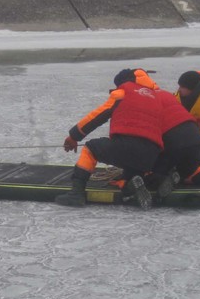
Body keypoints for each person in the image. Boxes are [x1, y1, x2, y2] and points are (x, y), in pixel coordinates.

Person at [120, 68, 200, 198]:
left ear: (192, 89)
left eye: (183, 87)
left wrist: (193, 146)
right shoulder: (177, 97)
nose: (179, 89)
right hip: (198, 139)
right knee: (189, 165)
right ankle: (186, 173)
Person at [57, 70, 164, 209]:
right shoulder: (156, 98)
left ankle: (76, 193)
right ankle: (130, 184)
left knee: (91, 148)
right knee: (131, 166)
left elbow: (98, 116)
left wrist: (74, 136)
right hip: (151, 154)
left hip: (126, 146)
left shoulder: (122, 92)